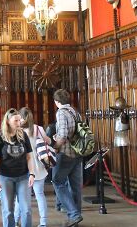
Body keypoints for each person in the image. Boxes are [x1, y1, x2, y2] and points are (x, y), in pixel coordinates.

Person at [0, 108, 36, 227]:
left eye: (19, 120)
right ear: (8, 121)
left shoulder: (23, 135)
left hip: (23, 176)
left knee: (26, 209)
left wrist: (32, 173)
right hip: (5, 177)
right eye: (16, 120)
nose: (19, 122)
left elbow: (29, 157)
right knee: (8, 210)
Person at [52, 88, 83, 227]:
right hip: (78, 153)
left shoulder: (61, 112)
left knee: (57, 181)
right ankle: (75, 218)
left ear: (56, 101)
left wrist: (55, 148)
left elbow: (63, 135)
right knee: (75, 187)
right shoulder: (75, 112)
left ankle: (74, 214)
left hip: (65, 154)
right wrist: (58, 136)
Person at [19, 107, 50, 227]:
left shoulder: (18, 130)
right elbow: (48, 142)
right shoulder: (38, 128)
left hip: (24, 168)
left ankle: (16, 220)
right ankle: (43, 222)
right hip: (39, 167)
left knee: (20, 197)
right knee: (40, 195)